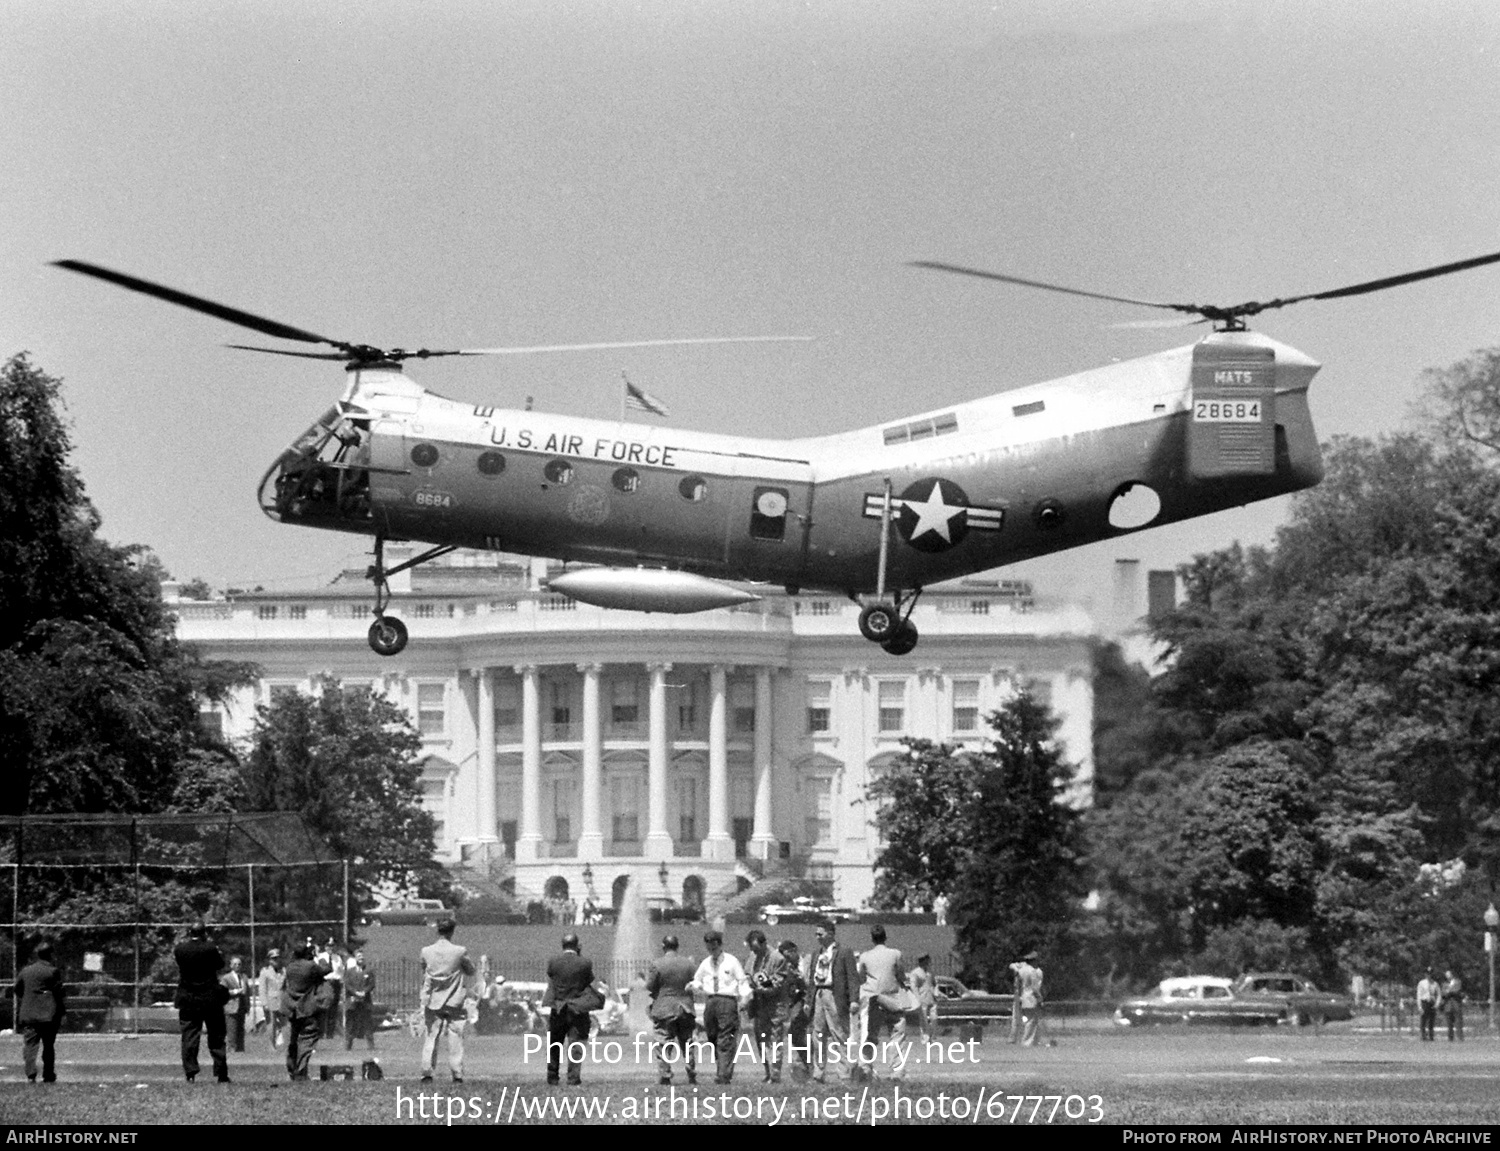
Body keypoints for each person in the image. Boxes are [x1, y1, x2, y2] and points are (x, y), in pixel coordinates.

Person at [174, 921, 231, 1084]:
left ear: (189, 932)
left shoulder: (180, 949)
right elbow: (220, 964)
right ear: (204, 933)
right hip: (210, 998)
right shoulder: (210, 948)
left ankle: (190, 1072)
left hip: (188, 998)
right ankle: (221, 1073)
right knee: (217, 1036)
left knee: (189, 1036)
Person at [420, 918, 476, 1084]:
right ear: (452, 931)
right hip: (454, 1000)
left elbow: (425, 970)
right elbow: (471, 970)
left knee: (431, 1036)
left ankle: (427, 1072)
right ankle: (457, 1073)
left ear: (437, 930)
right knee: (455, 1037)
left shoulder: (426, 951)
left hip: (433, 1000)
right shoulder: (459, 951)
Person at [692, 929, 749, 1085]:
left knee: (726, 1038)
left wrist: (744, 999)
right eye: (708, 945)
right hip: (711, 1002)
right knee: (712, 1037)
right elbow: (698, 979)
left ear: (719, 944)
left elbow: (742, 981)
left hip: (727, 1000)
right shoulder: (706, 963)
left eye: (713, 945)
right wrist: (694, 985)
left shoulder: (731, 961)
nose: (711, 948)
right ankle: (721, 1068)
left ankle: (724, 1074)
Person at [806, 918, 859, 1084]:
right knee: (818, 1035)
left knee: (839, 1034)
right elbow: (811, 978)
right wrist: (809, 1000)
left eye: (820, 934)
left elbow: (852, 977)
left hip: (835, 995)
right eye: (816, 934)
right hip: (819, 994)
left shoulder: (844, 952)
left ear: (830, 934)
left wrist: (853, 1000)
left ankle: (844, 1074)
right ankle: (818, 1073)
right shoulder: (817, 953)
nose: (818, 937)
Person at [542, 932, 596, 1086]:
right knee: (576, 1044)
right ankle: (573, 1077)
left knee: (555, 1043)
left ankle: (552, 1076)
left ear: (562, 945)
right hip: (578, 1008)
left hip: (559, 1007)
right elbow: (588, 980)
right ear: (577, 945)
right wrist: (579, 955)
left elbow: (552, 976)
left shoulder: (553, 962)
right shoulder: (585, 962)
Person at [856, 923, 908, 1081]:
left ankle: (865, 1068)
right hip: (892, 997)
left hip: (873, 998)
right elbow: (900, 974)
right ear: (885, 937)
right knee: (897, 1034)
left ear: (872, 938)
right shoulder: (895, 954)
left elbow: (861, 977)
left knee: (870, 1035)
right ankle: (897, 1072)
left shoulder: (864, 956)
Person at [646, 935, 698, 1085]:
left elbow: (650, 986)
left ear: (664, 947)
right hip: (686, 1008)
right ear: (677, 946)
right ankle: (691, 1070)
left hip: (664, 1008)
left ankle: (665, 1074)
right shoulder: (688, 964)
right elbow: (694, 983)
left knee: (663, 1042)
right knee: (687, 1041)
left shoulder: (657, 964)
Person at [14, 940, 65, 1084]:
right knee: (48, 1046)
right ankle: (48, 1074)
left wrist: (29, 999)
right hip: (48, 1015)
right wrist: (62, 1011)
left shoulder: (26, 971)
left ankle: (31, 1074)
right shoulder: (52, 971)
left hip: (29, 1015)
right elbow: (59, 992)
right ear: (50, 954)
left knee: (30, 1046)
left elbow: (17, 989)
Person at [744, 929, 791, 1083]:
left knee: (775, 1039)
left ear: (764, 944)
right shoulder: (752, 957)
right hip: (759, 1005)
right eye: (752, 949)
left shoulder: (778, 958)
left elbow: (777, 983)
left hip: (775, 1005)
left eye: (756, 948)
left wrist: (761, 987)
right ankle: (767, 1071)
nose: (754, 952)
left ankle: (775, 1074)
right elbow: (747, 974)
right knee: (760, 1039)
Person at [281, 942, 332, 1080]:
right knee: (307, 1039)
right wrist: (319, 956)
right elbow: (327, 969)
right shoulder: (310, 966)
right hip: (306, 1008)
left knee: (293, 1040)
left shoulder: (290, 967)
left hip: (292, 1008)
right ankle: (301, 1071)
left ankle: (292, 1069)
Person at [775, 940, 812, 1082]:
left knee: (800, 1032)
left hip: (809, 1000)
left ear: (793, 951)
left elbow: (808, 983)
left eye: (787, 956)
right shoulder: (790, 967)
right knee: (795, 1033)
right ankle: (804, 1065)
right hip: (798, 1001)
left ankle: (806, 1064)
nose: (786, 960)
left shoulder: (806, 963)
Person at [343, 950, 376, 1051]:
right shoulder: (350, 971)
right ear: (355, 959)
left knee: (367, 1023)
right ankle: (348, 1045)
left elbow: (372, 984)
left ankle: (371, 1045)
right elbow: (347, 984)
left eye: (362, 957)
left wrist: (364, 992)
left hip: (365, 1001)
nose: (361, 958)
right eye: (359, 957)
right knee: (350, 1023)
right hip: (352, 1001)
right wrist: (355, 993)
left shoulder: (369, 971)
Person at [1010, 951, 1045, 1047]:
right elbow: (1034, 987)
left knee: (1028, 1021)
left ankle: (1032, 1041)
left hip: (1023, 997)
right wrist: (1040, 998)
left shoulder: (1022, 970)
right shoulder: (1032, 971)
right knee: (1031, 1021)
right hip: (1031, 998)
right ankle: (1027, 1042)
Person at [258, 949, 287, 1049]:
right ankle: (271, 1046)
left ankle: (285, 1046)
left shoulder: (283, 971)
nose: (276, 961)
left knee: (285, 1025)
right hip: (271, 1002)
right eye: (274, 959)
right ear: (269, 960)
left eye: (278, 958)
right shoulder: (265, 972)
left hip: (282, 1002)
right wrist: (264, 1003)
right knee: (271, 1025)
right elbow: (262, 988)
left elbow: (286, 986)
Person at [221, 956, 250, 1053]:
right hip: (231, 1008)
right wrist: (236, 991)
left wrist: (248, 1006)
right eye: (235, 964)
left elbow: (247, 993)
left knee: (241, 1030)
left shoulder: (244, 977)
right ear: (231, 965)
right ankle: (232, 1050)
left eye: (239, 964)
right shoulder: (226, 978)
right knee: (232, 1030)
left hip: (242, 1007)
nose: (237, 966)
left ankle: (241, 1050)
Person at [910, 953, 938, 1042]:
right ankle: (925, 1038)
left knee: (934, 1018)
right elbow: (913, 986)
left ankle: (932, 1036)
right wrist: (917, 998)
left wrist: (936, 993)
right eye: (926, 960)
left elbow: (935, 983)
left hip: (932, 998)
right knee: (924, 1019)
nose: (928, 962)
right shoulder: (915, 973)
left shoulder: (930, 973)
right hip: (922, 999)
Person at [1416, 968, 1440, 1042]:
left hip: (1431, 1003)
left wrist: (1437, 1004)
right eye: (1427, 973)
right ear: (1425, 974)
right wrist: (1419, 1006)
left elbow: (1439, 994)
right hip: (1424, 1002)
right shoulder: (1421, 983)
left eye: (1430, 973)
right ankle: (1423, 1036)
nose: (1428, 975)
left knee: (1431, 1021)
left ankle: (1431, 1036)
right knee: (1423, 1021)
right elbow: (1419, 995)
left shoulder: (1435, 984)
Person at [1441, 969, 1464, 1042]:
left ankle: (1460, 1038)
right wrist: (1449, 991)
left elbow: (1457, 991)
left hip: (1456, 1005)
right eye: (1446, 975)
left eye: (1448, 974)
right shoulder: (1444, 984)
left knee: (1458, 1023)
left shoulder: (1457, 982)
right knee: (1449, 1024)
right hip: (1448, 1007)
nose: (1447, 976)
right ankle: (1450, 1038)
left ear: (1452, 974)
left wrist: (1449, 991)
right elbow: (1443, 994)